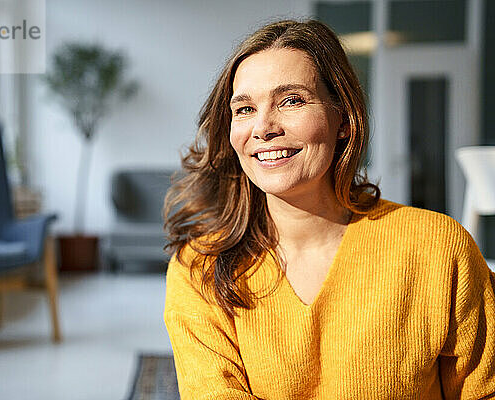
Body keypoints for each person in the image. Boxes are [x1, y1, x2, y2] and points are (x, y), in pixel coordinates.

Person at [163, 19, 495, 399]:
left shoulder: (438, 248)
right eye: (244, 109)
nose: (263, 127)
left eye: (291, 100)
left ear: (343, 119)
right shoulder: (200, 267)